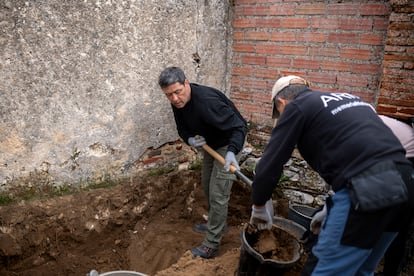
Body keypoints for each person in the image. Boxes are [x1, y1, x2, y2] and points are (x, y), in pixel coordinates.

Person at [248, 75, 414, 275]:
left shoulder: (296, 107)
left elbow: (271, 164)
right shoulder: (351, 99)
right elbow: (363, 152)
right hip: (407, 183)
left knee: (322, 271)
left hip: (367, 189)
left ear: (281, 102)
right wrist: (332, 205)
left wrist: (258, 206)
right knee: (362, 270)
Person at [158, 66, 248, 259]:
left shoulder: (208, 102)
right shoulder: (178, 102)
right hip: (211, 145)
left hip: (229, 144)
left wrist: (233, 151)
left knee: (218, 193)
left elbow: (240, 127)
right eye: (169, 95)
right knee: (208, 186)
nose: (174, 99)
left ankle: (212, 244)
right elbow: (182, 128)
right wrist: (189, 138)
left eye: (177, 92)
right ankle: (219, 224)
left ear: (186, 83)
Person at [308, 115, 414, 275]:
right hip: (395, 169)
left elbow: (350, 177)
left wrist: (328, 209)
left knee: (387, 232)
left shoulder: (346, 134)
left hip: (402, 166)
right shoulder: (353, 123)